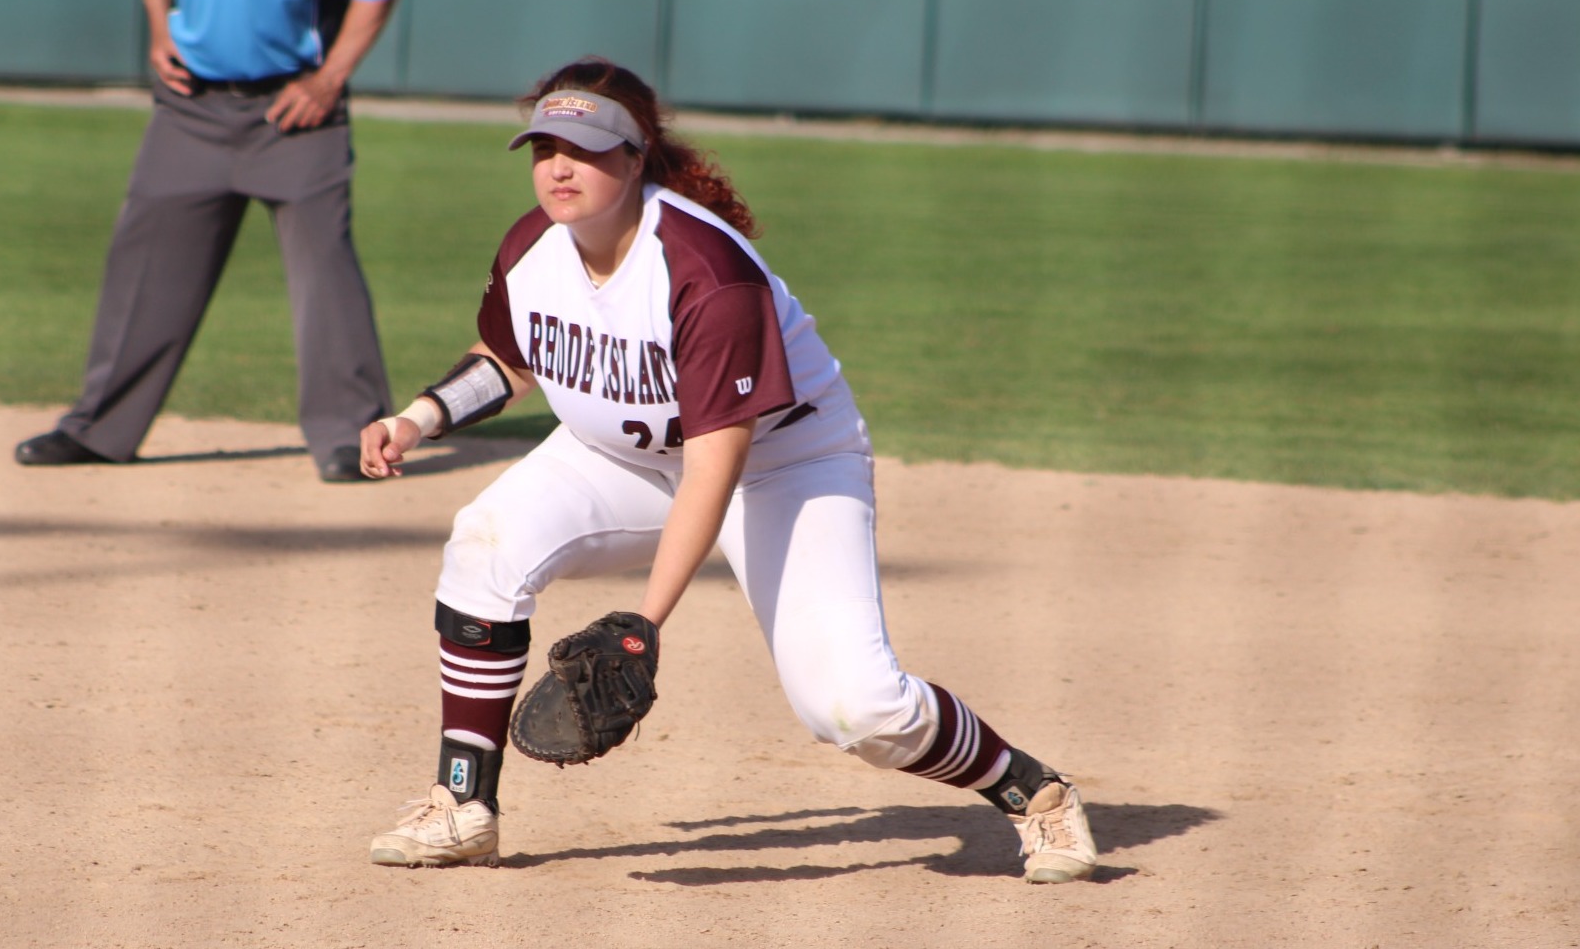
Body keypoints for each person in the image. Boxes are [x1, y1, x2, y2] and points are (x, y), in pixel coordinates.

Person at [358, 58, 1099, 883]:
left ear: (637, 158)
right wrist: (415, 418)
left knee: (855, 709)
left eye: (587, 148)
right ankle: (463, 805)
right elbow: (507, 355)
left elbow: (714, 468)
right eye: (543, 146)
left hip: (782, 464)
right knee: (482, 544)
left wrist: (643, 624)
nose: (559, 166)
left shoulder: (708, 273)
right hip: (618, 452)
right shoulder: (532, 245)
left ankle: (1032, 791)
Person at [14, 0, 398, 483]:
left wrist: (328, 80)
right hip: (190, 108)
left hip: (296, 112)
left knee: (325, 272)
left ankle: (353, 437)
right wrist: (159, 25)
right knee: (144, 266)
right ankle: (98, 430)